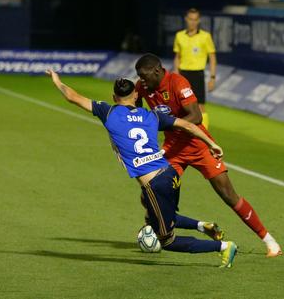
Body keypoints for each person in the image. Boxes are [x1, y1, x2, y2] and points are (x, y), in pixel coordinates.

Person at [46, 70, 238, 268]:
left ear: (114, 97)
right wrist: (210, 143)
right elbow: (187, 126)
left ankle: (224, 247)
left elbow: (72, 96)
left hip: (154, 184)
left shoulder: (108, 111)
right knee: (154, 214)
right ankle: (202, 225)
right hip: (170, 173)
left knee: (167, 240)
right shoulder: (152, 116)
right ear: (136, 95)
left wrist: (57, 80)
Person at [135, 54, 282, 258]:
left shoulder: (177, 83)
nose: (141, 80)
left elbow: (195, 116)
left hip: (197, 145)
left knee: (228, 195)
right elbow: (134, 106)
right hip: (172, 149)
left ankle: (269, 240)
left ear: (157, 71)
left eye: (144, 76)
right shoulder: (143, 86)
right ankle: (190, 229)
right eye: (139, 77)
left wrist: (160, 123)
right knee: (150, 195)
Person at [173, 8, 216, 129]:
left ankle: (204, 134)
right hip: (183, 75)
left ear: (199, 21)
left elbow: (212, 57)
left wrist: (212, 77)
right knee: (181, 105)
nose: (192, 22)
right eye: (190, 19)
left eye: (195, 20)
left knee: (200, 106)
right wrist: (176, 72)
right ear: (186, 19)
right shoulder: (179, 36)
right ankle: (182, 133)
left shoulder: (205, 36)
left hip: (197, 74)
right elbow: (177, 56)